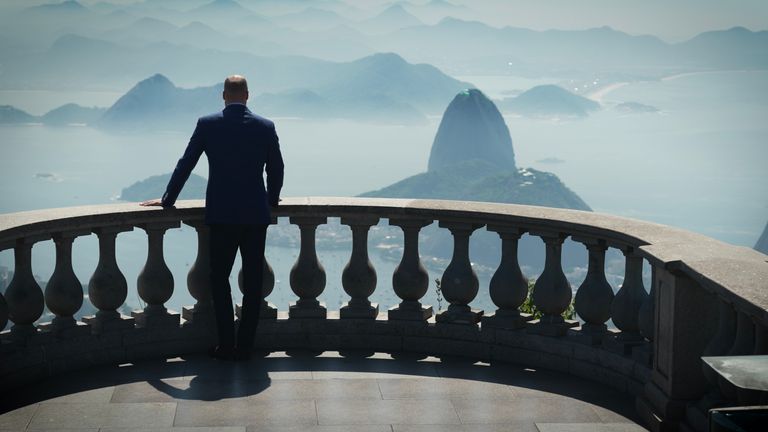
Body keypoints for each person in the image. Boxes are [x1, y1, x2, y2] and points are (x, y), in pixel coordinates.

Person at [140, 75, 284, 361]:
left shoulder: (208, 124)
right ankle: (246, 346)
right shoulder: (265, 127)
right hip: (255, 215)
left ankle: (226, 345)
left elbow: (186, 163)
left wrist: (168, 199)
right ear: (247, 95)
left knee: (219, 280)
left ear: (223, 96)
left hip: (222, 216)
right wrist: (270, 200)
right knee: (254, 282)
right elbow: (276, 168)